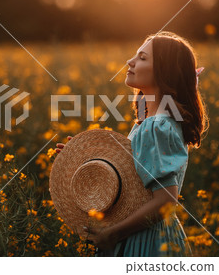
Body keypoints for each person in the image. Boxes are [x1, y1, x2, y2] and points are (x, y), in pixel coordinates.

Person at [55, 31, 208, 257]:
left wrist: (114, 233)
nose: (131, 61)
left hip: (145, 241)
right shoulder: (153, 122)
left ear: (164, 72)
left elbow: (166, 200)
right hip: (151, 234)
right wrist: (83, 160)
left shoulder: (156, 126)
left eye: (143, 58)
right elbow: (134, 182)